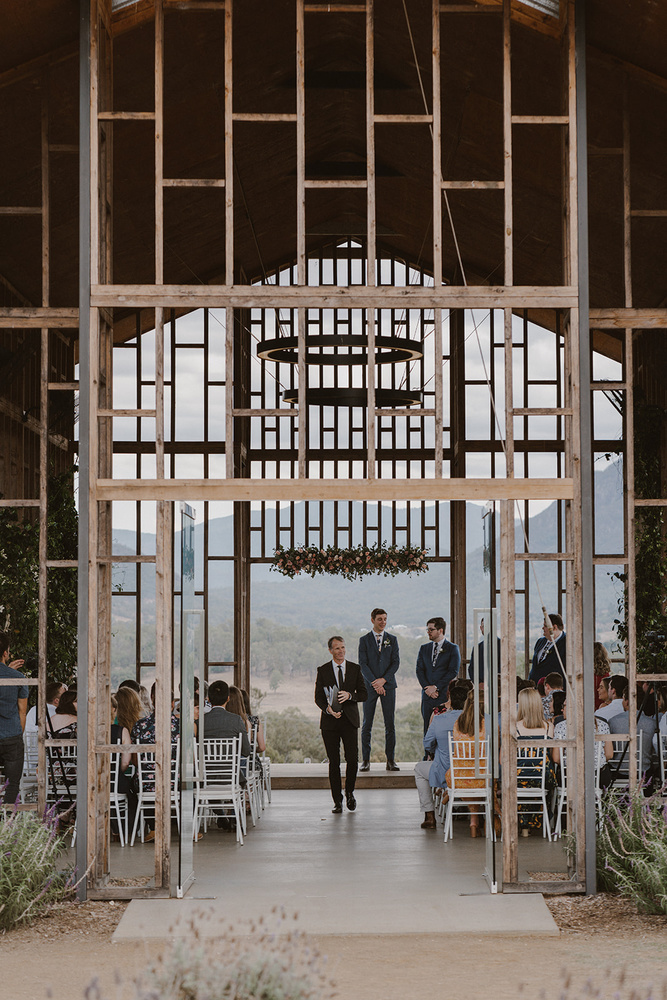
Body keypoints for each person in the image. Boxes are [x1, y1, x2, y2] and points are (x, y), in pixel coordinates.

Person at [314, 636, 367, 813]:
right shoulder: (323, 670)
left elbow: (364, 694)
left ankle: (350, 792)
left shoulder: (355, 668)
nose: (341, 651)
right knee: (334, 762)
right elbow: (318, 697)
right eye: (337, 648)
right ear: (330, 650)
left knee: (352, 759)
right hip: (329, 723)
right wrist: (327, 709)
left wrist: (350, 696)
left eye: (343, 647)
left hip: (350, 721)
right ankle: (337, 800)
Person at [414, 683, 467, 829]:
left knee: (419, 769)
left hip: (446, 772)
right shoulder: (483, 720)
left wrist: (438, 750)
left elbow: (427, 744)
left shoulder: (439, 720)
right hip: (474, 772)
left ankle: (429, 815)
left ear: (450, 700)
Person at [131, 683, 180, 842]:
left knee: (136, 782)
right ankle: (187, 828)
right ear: (172, 703)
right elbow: (189, 758)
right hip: (174, 781)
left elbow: (134, 759)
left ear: (152, 699)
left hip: (146, 781)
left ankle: (153, 827)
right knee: (190, 779)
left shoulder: (139, 726)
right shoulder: (181, 726)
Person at [358, 608, 400, 772]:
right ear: (372, 620)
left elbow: (395, 663)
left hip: (388, 686)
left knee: (390, 724)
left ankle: (390, 760)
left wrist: (383, 681)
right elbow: (363, 664)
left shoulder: (392, 639)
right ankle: (365, 760)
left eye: (385, 619)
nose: (383, 622)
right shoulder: (364, 640)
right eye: (380, 619)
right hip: (369, 687)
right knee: (366, 724)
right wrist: (375, 683)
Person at [444, 690, 487, 837]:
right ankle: (479, 820)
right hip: (482, 776)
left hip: (458, 778)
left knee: (470, 778)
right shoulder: (488, 723)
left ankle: (474, 820)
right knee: (485, 777)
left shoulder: (458, 723)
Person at [515, 687, 555, 836]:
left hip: (519, 777)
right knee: (544, 782)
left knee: (521, 779)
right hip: (542, 777)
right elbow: (552, 756)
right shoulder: (549, 727)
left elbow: (502, 759)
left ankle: (524, 826)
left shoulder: (514, 728)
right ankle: (539, 821)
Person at [416, 617, 461, 735]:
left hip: (442, 696)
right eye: (427, 629)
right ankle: (427, 748)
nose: (428, 632)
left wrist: (435, 687)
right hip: (427, 696)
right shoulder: (424, 648)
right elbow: (419, 670)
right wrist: (427, 688)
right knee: (427, 728)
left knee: (443, 728)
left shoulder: (452, 648)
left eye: (431, 629)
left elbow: (453, 671)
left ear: (440, 630)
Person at [0, 633, 28, 807]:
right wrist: (18, 734)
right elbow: (22, 712)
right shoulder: (18, 677)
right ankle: (7, 819)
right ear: (5, 653)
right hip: (11, 735)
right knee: (12, 784)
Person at [529, 613, 566, 685]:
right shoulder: (540, 642)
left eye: (545, 626)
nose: (543, 628)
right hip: (535, 687)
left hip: (552, 688)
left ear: (554, 627)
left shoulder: (566, 644)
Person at [468, 618, 501, 688]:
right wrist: (479, 683)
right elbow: (471, 668)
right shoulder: (477, 647)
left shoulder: (502, 645)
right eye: (484, 626)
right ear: (481, 628)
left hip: (498, 687)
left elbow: (504, 667)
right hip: (481, 688)